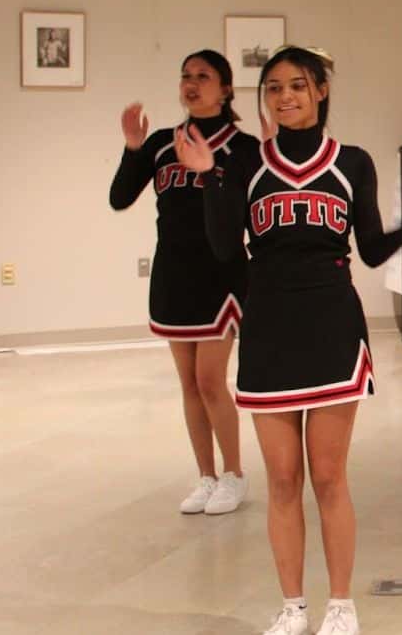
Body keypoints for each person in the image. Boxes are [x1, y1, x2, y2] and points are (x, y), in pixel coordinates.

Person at [177, 46, 402, 635]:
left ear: (320, 91)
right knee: (282, 480)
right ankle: (293, 608)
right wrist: (207, 177)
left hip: (332, 330)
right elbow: (222, 249)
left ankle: (342, 606)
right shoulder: (243, 163)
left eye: (296, 85)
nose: (285, 97)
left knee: (329, 478)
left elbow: (369, 249)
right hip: (267, 334)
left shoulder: (353, 163)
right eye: (273, 89)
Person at [109, 49, 256, 515]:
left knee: (211, 380)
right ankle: (206, 477)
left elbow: (245, 216)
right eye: (186, 76)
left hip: (221, 274)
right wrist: (133, 147)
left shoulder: (243, 147)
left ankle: (234, 474)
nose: (192, 84)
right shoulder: (159, 143)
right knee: (189, 385)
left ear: (226, 89)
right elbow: (119, 198)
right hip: (173, 274)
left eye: (204, 76)